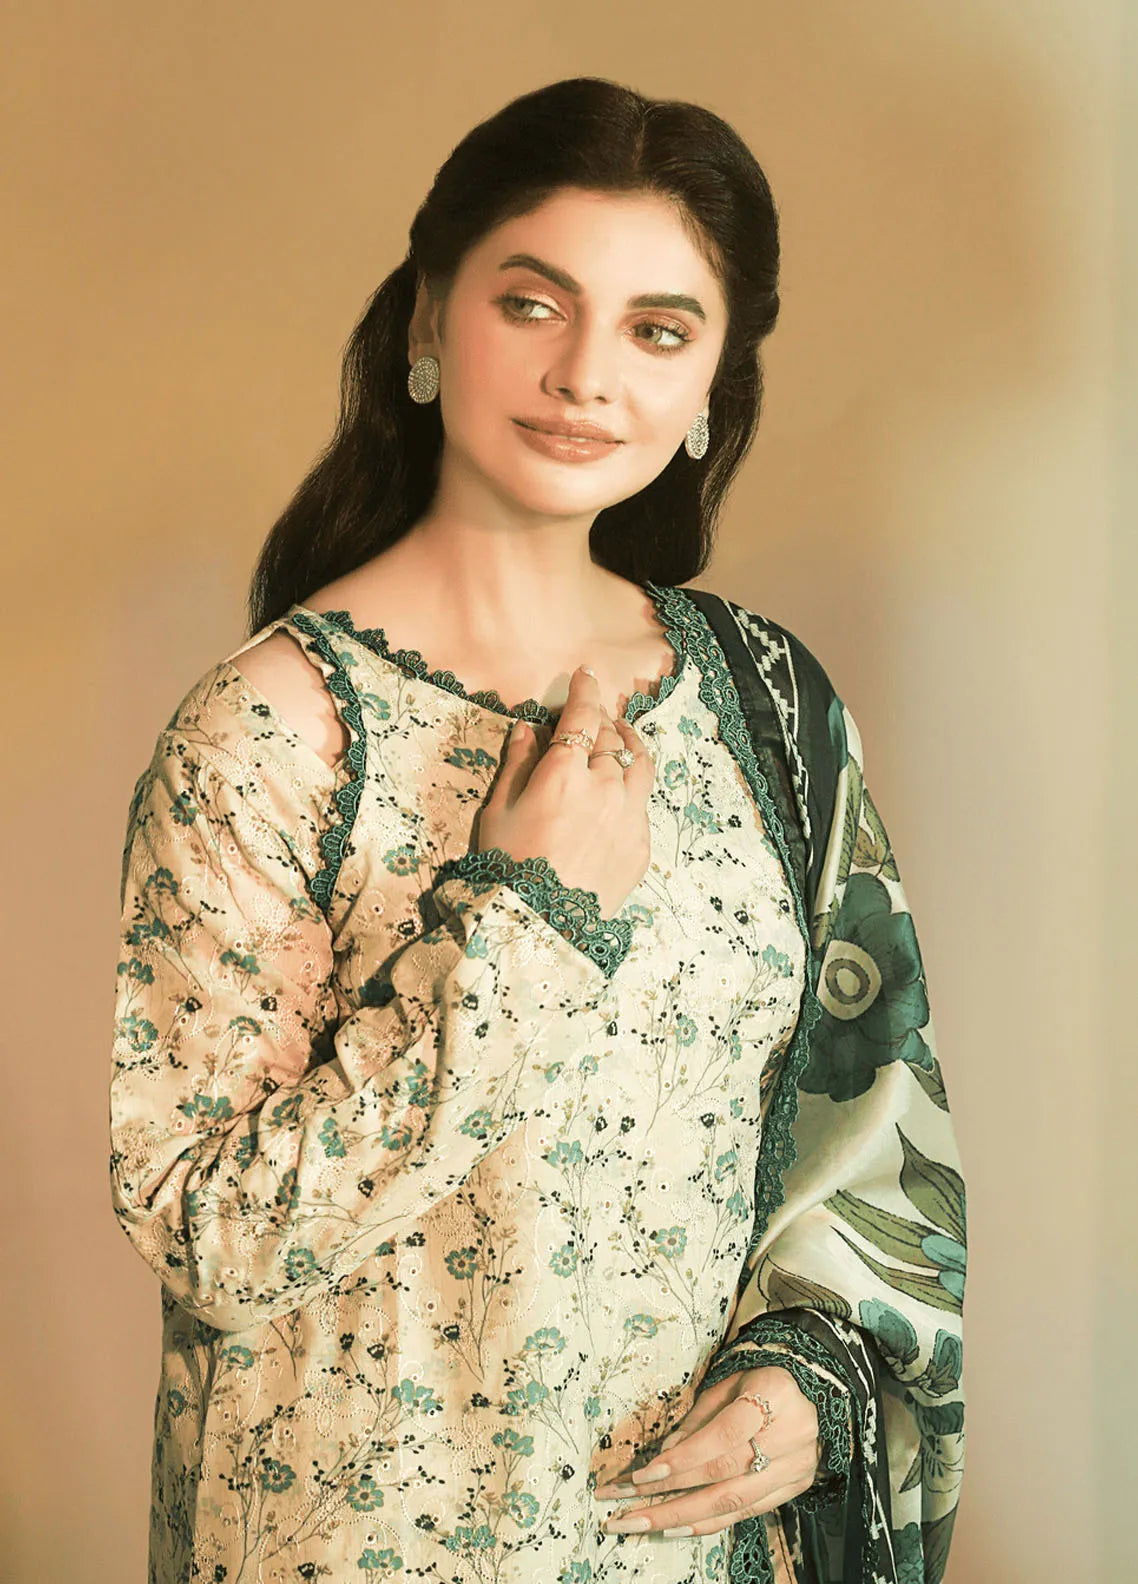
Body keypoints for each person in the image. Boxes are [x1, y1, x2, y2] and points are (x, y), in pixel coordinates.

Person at [110, 76, 966, 1584]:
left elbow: (874, 1132)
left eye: (657, 331)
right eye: (532, 303)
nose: (585, 376)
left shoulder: (768, 706)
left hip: (693, 1553)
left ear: (712, 391)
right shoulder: (270, 730)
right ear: (427, 324)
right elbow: (211, 1236)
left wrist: (808, 1382)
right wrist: (526, 927)